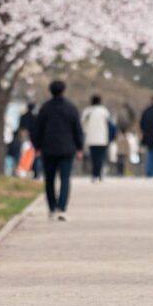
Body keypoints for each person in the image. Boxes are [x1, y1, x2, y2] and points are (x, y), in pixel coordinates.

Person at [35, 80, 84, 220]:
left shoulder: (45, 108)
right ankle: (62, 208)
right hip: (67, 149)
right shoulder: (71, 108)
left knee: (49, 180)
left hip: (48, 149)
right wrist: (79, 147)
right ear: (64, 90)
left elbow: (38, 129)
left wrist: (37, 146)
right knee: (65, 179)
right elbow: (77, 129)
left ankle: (52, 208)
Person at [83, 93, 113, 181]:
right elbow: (110, 124)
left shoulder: (87, 111)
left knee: (93, 157)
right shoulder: (104, 111)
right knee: (101, 157)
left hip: (91, 138)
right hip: (102, 138)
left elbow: (83, 124)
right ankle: (98, 173)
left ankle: (94, 173)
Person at [7, 102, 35, 176]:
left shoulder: (23, 117)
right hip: (30, 139)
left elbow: (19, 127)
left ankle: (18, 169)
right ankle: (26, 169)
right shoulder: (34, 117)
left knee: (19, 154)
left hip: (21, 138)